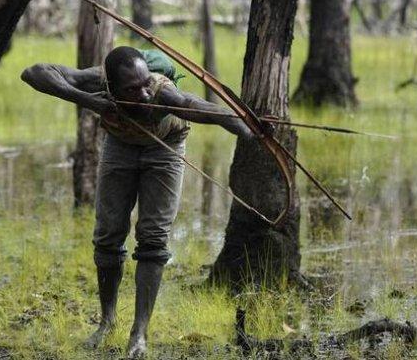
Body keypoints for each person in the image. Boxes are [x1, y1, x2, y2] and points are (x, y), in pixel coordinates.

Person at [21, 46, 263, 358]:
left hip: (165, 148)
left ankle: (139, 333)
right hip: (120, 145)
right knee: (108, 234)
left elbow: (199, 106)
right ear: (110, 86)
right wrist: (88, 100)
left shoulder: (162, 93)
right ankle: (107, 322)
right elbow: (34, 73)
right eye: (133, 90)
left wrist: (248, 131)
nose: (144, 94)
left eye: (145, 83)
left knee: (153, 238)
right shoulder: (97, 81)